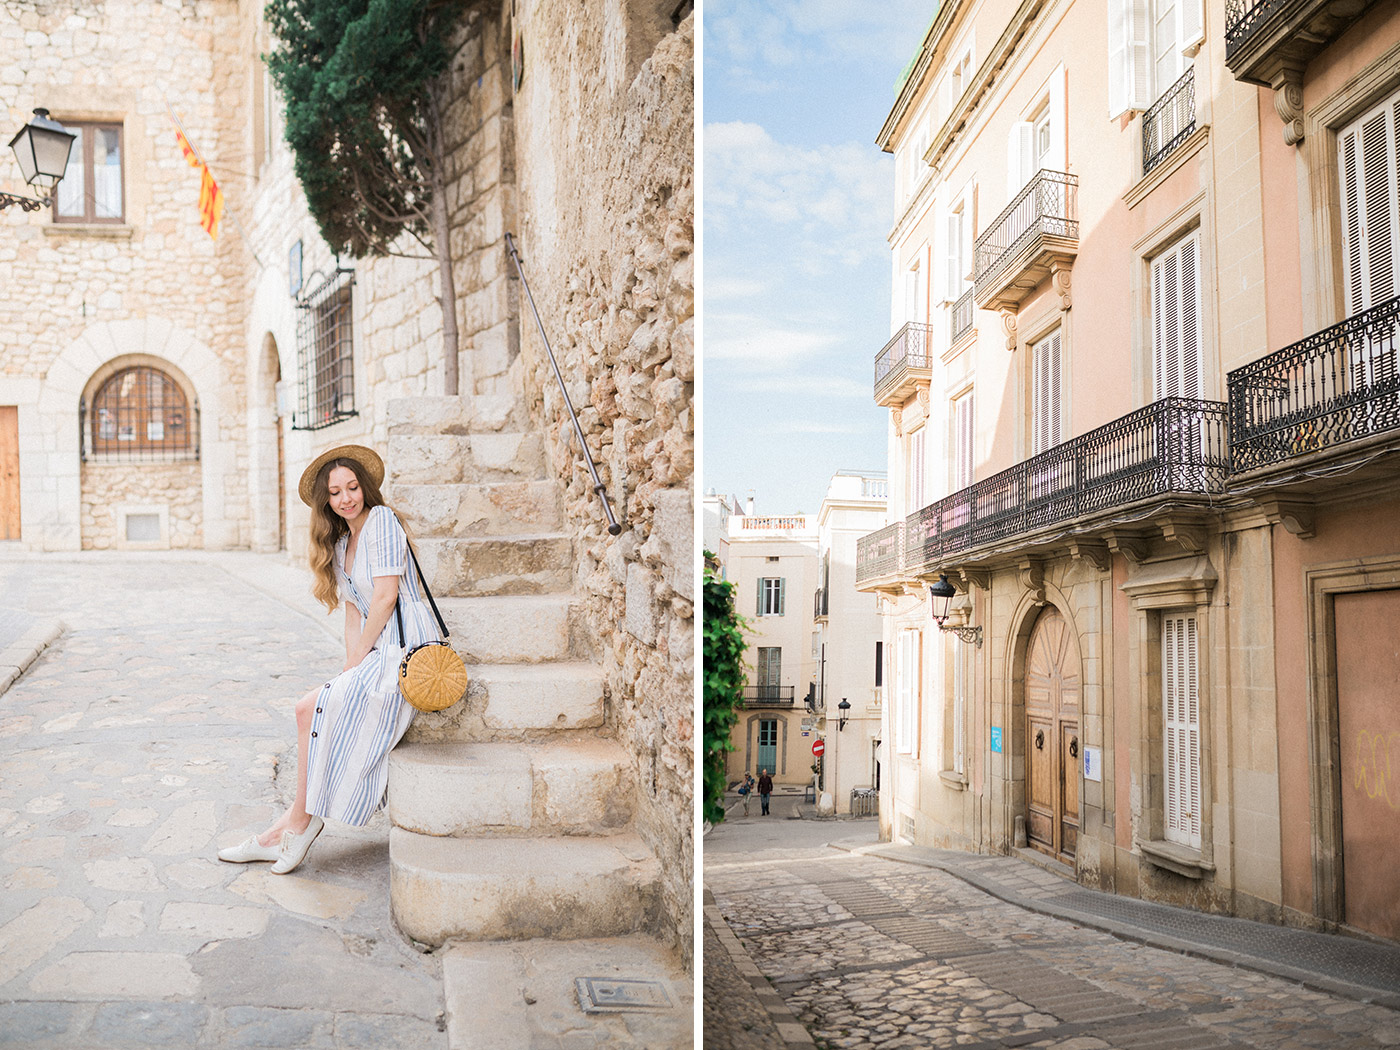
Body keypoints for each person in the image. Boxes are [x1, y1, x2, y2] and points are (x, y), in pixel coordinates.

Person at [217, 444, 440, 874]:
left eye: (353, 487)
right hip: (375, 652)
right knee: (313, 709)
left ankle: (294, 828)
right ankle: (287, 829)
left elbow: (385, 596)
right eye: (336, 493)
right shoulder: (341, 544)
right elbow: (353, 612)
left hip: (404, 649)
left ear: (365, 487)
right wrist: (349, 667)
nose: (346, 499)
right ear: (327, 502)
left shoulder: (383, 522)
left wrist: (359, 661)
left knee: (307, 707)